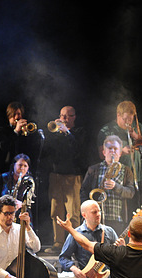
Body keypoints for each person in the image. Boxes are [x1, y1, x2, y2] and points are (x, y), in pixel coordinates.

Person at [44, 105, 88, 253]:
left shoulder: (79, 132)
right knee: (55, 210)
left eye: (67, 116)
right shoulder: (55, 133)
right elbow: (47, 151)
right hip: (56, 175)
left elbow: (78, 150)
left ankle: (75, 243)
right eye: (61, 115)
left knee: (73, 212)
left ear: (74, 117)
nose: (63, 119)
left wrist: (67, 133)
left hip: (72, 176)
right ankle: (58, 243)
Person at [97, 101, 142, 204]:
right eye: (125, 119)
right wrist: (121, 152)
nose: (128, 122)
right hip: (120, 177)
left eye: (131, 119)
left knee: (138, 207)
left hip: (138, 175)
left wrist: (136, 136)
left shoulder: (137, 126)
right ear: (118, 115)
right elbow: (101, 154)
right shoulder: (107, 130)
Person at [80, 135, 136, 237]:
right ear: (104, 152)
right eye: (110, 149)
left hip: (117, 218)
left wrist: (116, 186)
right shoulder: (93, 169)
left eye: (115, 149)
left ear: (120, 153)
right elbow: (83, 191)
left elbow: (131, 192)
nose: (113, 151)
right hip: (97, 218)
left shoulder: (126, 170)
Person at [0, 195, 41, 278]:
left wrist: (28, 228)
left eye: (12, 213)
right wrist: (6, 276)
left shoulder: (19, 229)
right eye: (6, 213)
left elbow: (36, 247)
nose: (10, 217)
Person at [0, 101, 43, 175]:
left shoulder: (25, 130)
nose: (17, 117)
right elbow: (4, 146)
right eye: (14, 114)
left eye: (19, 114)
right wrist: (16, 131)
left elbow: (34, 149)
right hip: (7, 169)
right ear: (9, 116)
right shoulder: (2, 130)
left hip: (24, 169)